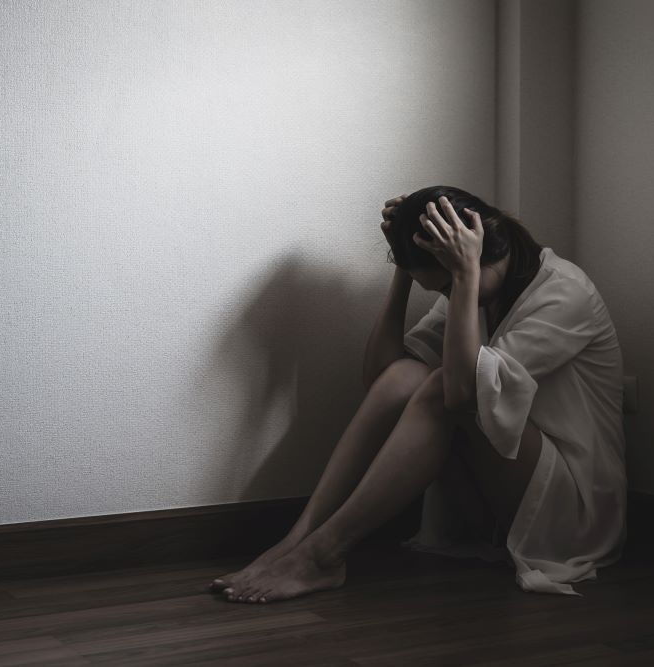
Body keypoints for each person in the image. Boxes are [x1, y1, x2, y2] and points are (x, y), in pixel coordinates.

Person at [208, 185, 627, 602]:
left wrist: (461, 278)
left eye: (447, 286)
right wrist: (404, 270)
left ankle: (323, 554)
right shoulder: (473, 287)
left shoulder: (564, 293)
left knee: (443, 387)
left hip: (573, 512)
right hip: (503, 493)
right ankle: (297, 540)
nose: (448, 297)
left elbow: (462, 395)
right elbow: (383, 377)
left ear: (474, 258)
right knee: (409, 376)